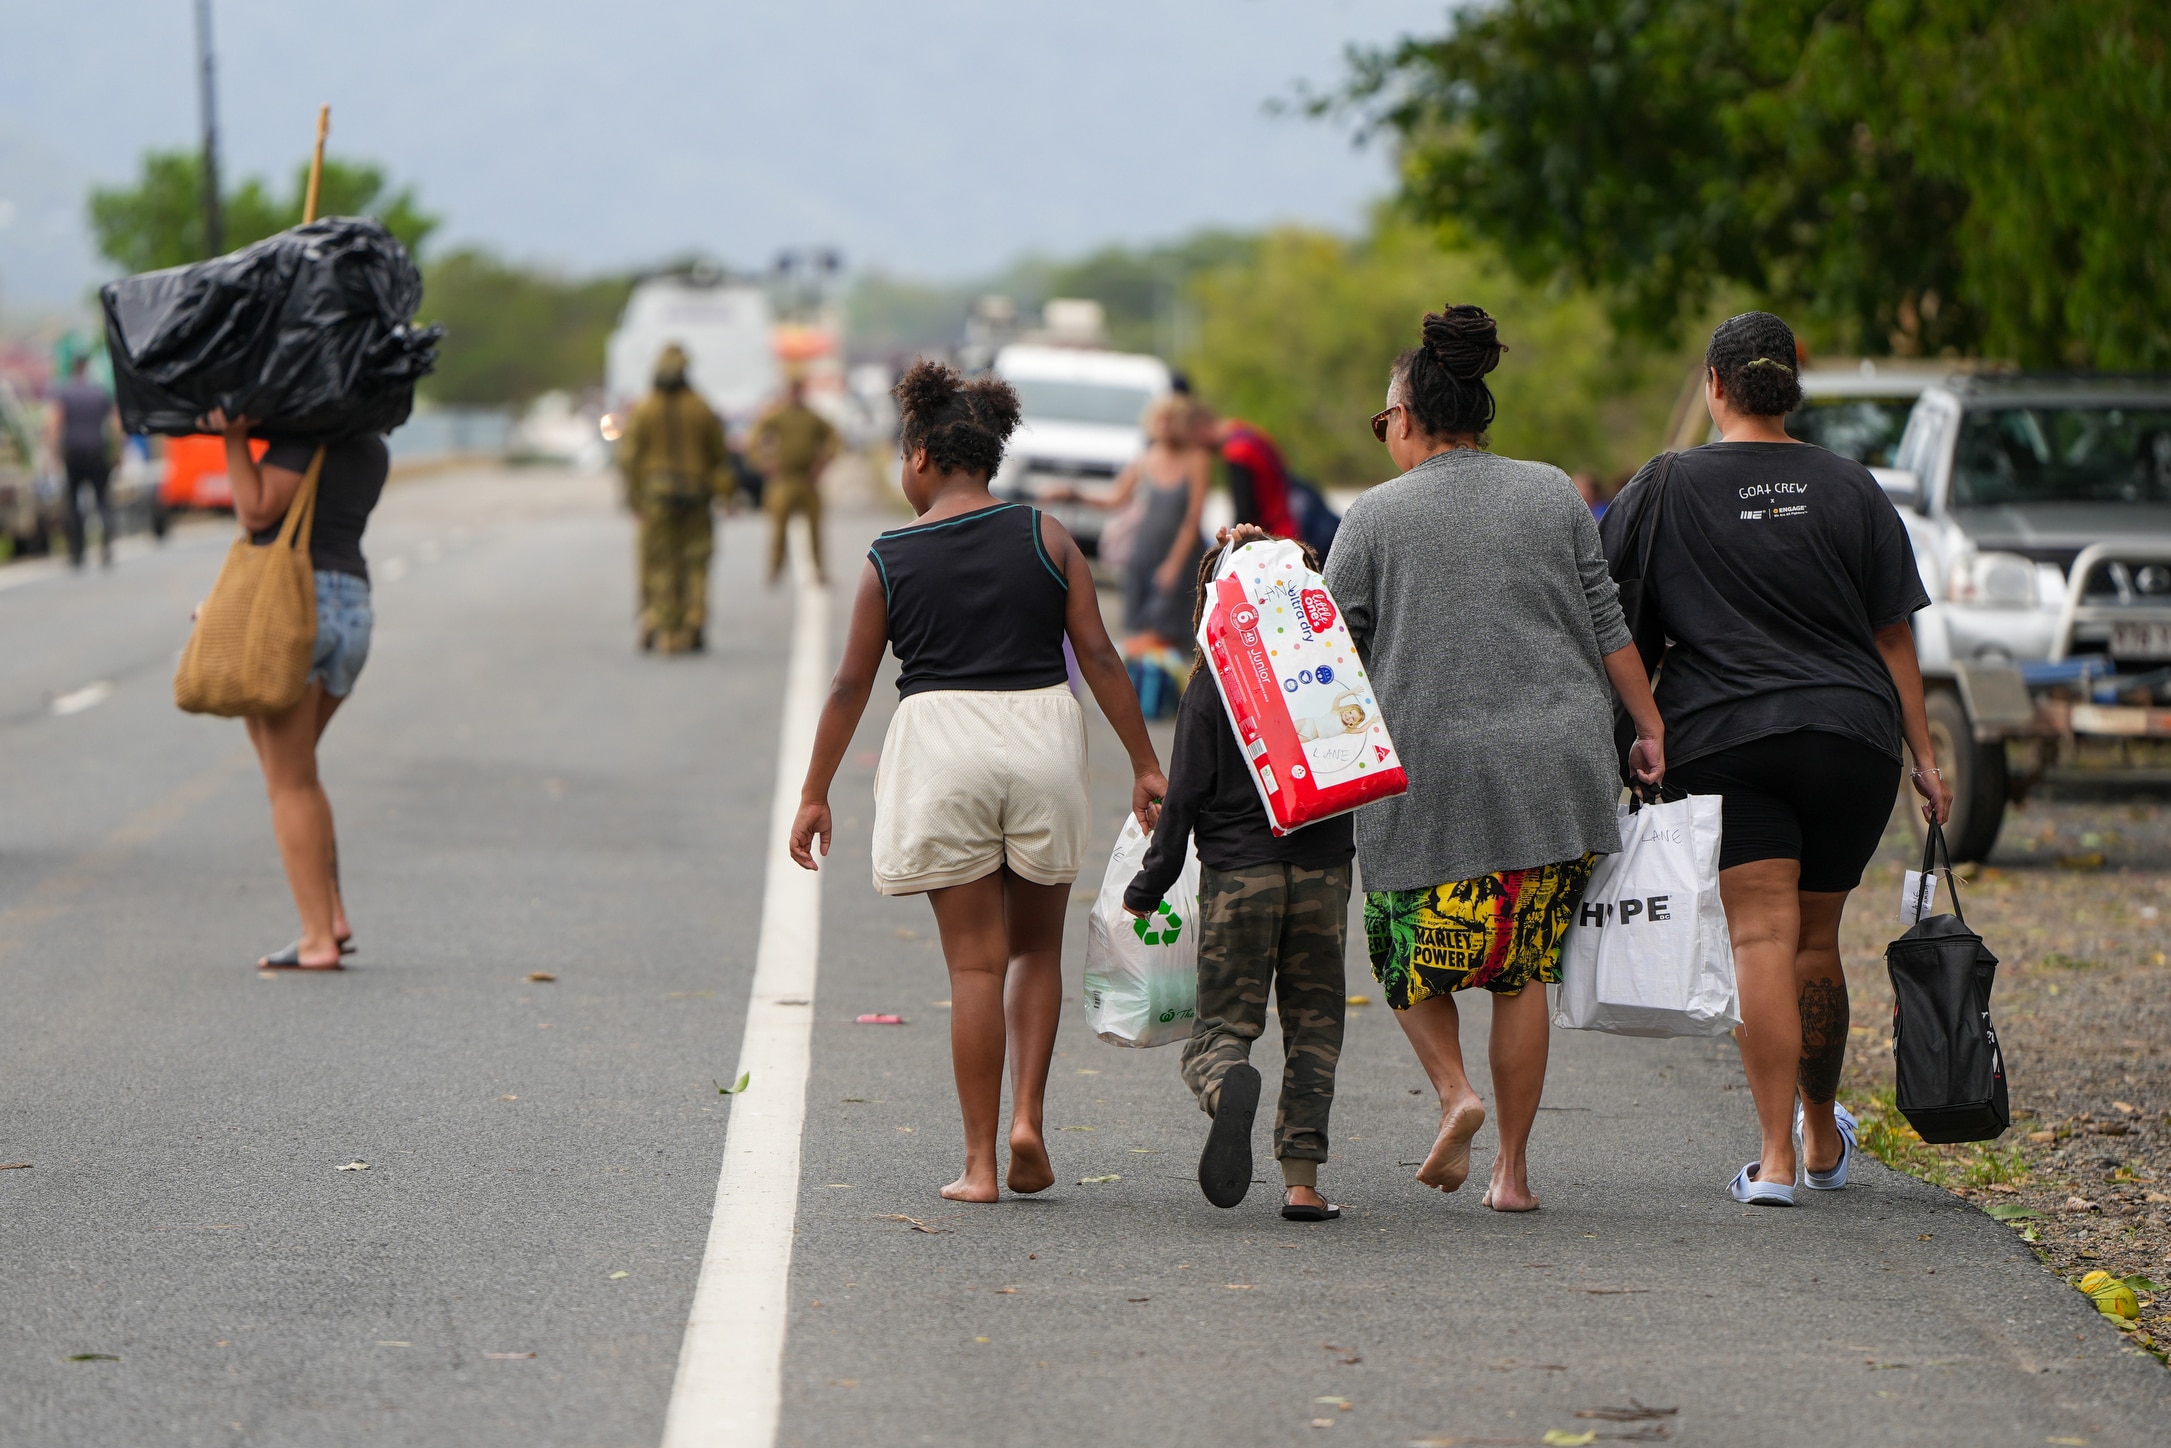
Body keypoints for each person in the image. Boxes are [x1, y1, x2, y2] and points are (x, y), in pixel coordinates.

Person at [788, 360, 1167, 1203]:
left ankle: (979, 1164)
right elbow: (1100, 657)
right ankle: (1030, 1118)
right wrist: (1145, 763)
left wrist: (815, 791)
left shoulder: (889, 555)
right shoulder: (1048, 535)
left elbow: (850, 685)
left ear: (919, 455)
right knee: (1035, 947)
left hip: (941, 744)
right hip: (1040, 734)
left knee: (972, 969)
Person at [1601, 311, 1951, 1207]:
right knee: (1817, 938)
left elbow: (1615, 627)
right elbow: (1892, 636)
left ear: (1714, 386)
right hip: (1851, 738)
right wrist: (1925, 757)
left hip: (1725, 738)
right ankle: (1824, 1132)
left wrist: (1635, 734)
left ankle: (1774, 1161)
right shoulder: (1849, 486)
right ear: (1788, 387)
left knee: (1759, 934)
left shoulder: (1666, 484)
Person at [1324, 303, 1666, 1212]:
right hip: (1554, 762)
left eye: (1383, 418)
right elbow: (1606, 624)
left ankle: (1453, 1091)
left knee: (1400, 939)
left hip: (1426, 761)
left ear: (1409, 417)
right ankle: (1512, 1175)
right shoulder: (1553, 491)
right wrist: (1648, 726)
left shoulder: (1372, 517)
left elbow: (1327, 655)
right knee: (1522, 969)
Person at [1126, 531, 1353, 1222]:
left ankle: (1227, 1086)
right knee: (1314, 1028)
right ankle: (1303, 1181)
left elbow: (1185, 795)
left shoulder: (1210, 688)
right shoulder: (1334, 673)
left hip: (1240, 874)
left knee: (1222, 1025)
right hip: (1323, 873)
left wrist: (1150, 882)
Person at [203, 408, 390, 971]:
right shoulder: (371, 442)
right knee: (300, 773)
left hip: (295, 609)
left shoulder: (306, 436)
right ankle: (329, 915)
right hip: (350, 608)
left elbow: (258, 508)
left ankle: (316, 938)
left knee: (288, 783)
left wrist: (234, 439)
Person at [1058, 395, 1211, 652]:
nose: (1165, 426)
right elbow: (1115, 499)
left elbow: (1193, 517)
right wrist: (1075, 495)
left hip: (1179, 555)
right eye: (1161, 420)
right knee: (1142, 627)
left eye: (1171, 420)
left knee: (1169, 632)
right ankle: (1142, 685)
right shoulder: (1148, 457)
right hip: (1145, 550)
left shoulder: (1196, 459)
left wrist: (1174, 564)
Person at [618, 343, 735, 653]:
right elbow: (719, 456)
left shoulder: (644, 409)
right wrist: (726, 494)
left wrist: (634, 499)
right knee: (695, 562)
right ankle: (693, 621)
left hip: (656, 498)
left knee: (658, 562)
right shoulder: (701, 407)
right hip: (696, 495)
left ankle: (659, 624)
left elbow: (628, 458)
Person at [749, 374, 839, 586]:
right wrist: (764, 462)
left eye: (798, 389)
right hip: (784, 479)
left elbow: (833, 437)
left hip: (807, 479)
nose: (795, 394)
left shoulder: (812, 417)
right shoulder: (777, 416)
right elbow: (753, 439)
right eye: (792, 389)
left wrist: (823, 463)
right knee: (778, 528)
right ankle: (775, 570)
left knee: (815, 529)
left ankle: (818, 570)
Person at [47, 356, 119, 568]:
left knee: (73, 504)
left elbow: (55, 423)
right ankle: (105, 544)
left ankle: (77, 553)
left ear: (73, 368)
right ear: (86, 368)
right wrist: (117, 453)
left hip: (74, 453)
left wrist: (53, 453)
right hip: (97, 451)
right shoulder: (99, 392)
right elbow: (115, 423)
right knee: (102, 501)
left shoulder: (66, 393)